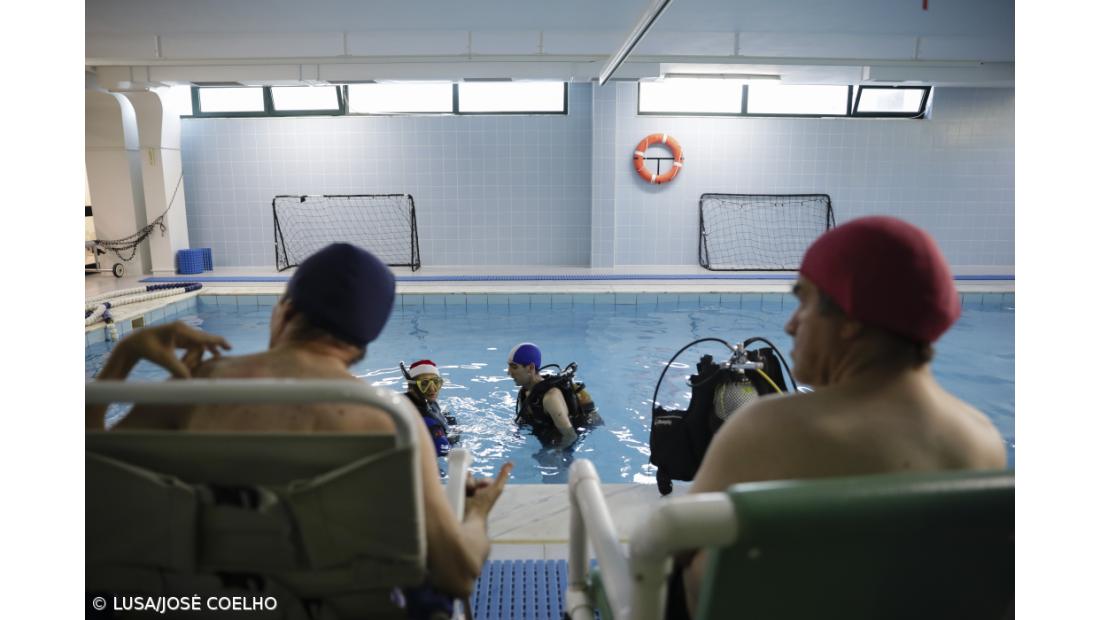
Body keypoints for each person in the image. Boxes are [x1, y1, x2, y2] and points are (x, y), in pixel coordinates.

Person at [86, 243, 512, 603]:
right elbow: (457, 573)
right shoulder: (390, 421)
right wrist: (476, 513)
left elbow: (94, 489)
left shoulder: (195, 389)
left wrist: (123, 355)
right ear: (361, 342)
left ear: (285, 311)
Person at [673, 217, 1007, 618]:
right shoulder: (982, 440)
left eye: (804, 301)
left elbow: (675, 547)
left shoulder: (768, 428)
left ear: (850, 318)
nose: (791, 324)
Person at [506, 342, 600, 448]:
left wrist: (556, 453)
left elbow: (570, 436)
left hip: (570, 435)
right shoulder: (525, 392)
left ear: (530, 368)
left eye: (514, 367)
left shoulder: (550, 397)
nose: (508, 372)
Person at [403, 358, 459, 457]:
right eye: (424, 384)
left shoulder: (426, 401)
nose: (432, 389)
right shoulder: (422, 419)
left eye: (436, 382)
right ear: (410, 387)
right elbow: (443, 450)